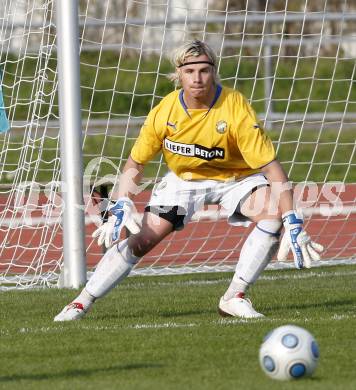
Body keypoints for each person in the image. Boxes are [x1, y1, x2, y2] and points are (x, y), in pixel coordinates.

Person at [54, 40, 323, 321]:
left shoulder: (235, 106)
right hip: (184, 181)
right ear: (178, 74)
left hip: (236, 178)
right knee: (145, 238)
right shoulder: (165, 111)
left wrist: (291, 217)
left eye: (204, 70)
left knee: (272, 215)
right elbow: (136, 162)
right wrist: (122, 201)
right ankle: (80, 303)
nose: (197, 78)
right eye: (190, 70)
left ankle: (234, 297)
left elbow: (271, 167)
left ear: (214, 72)